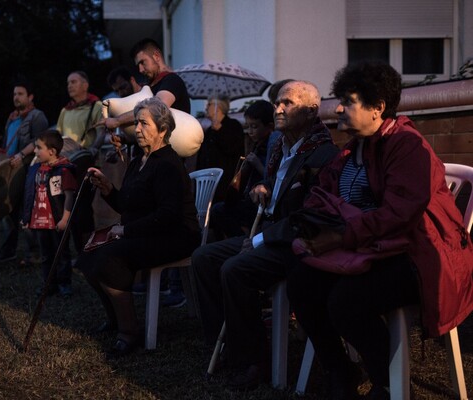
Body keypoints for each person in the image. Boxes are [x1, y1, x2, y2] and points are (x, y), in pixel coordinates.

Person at [286, 62, 473, 400]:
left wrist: (340, 236)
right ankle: (340, 369)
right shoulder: (353, 148)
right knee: (301, 281)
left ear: (378, 108)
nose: (339, 108)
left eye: (349, 100)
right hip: (371, 247)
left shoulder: (407, 146)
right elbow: (323, 193)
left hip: (419, 255)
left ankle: (390, 383)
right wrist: (315, 226)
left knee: (347, 300)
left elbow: (400, 214)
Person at [191, 81, 338, 390]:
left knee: (235, 269)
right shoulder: (282, 145)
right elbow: (279, 182)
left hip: (295, 243)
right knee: (203, 257)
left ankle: (254, 360)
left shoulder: (323, 154)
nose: (279, 108)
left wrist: (257, 241)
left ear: (311, 112)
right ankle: (230, 341)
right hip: (269, 232)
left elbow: (307, 218)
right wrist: (265, 185)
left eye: (288, 103)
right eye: (277, 103)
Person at [77, 97, 201, 358]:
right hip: (149, 230)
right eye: (136, 123)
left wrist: (126, 231)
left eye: (144, 123)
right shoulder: (138, 161)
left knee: (112, 256)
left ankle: (129, 332)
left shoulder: (167, 163)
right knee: (88, 255)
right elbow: (127, 205)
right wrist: (108, 189)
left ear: (163, 129)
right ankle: (114, 318)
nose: (138, 128)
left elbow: (169, 215)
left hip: (175, 235)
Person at [0, 81, 49, 265]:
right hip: (11, 169)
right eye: (15, 94)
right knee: (9, 211)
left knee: (28, 211)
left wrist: (21, 154)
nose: (16, 97)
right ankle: (9, 251)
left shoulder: (37, 116)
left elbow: (40, 141)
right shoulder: (12, 118)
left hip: (27, 168)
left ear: (30, 96)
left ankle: (35, 253)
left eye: (20, 94)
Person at [21, 130, 77, 296]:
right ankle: (49, 285)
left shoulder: (64, 170)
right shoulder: (36, 170)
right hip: (40, 221)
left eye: (39, 148)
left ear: (51, 151)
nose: (35, 151)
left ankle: (64, 283)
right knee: (46, 255)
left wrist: (65, 219)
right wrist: (27, 217)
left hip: (57, 222)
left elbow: (68, 196)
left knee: (62, 254)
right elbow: (30, 194)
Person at [208, 100, 274, 239]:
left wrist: (257, 164)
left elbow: (274, 179)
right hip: (249, 199)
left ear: (269, 127)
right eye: (248, 127)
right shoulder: (257, 145)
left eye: (254, 127)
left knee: (220, 211)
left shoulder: (273, 146)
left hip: (263, 204)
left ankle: (243, 241)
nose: (250, 132)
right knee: (218, 210)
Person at [56, 70, 105, 252]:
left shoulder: (96, 106)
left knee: (82, 207)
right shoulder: (65, 110)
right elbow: (58, 137)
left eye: (74, 82)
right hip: (67, 165)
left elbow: (102, 132)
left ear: (85, 85)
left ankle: (89, 250)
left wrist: (93, 148)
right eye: (68, 82)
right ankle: (80, 252)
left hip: (86, 164)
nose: (70, 85)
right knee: (70, 207)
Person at [196, 93, 244, 203]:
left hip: (223, 183)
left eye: (209, 104)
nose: (206, 107)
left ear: (219, 106)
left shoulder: (233, 125)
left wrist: (220, 130)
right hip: (207, 183)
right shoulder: (209, 130)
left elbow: (232, 149)